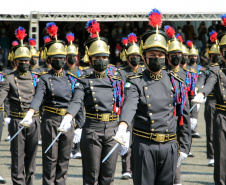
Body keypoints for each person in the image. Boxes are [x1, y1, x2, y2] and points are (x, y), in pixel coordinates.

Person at [114, 9, 191, 185]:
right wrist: (123, 126)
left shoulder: (176, 81)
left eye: (160, 55)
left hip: (169, 146)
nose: (157, 59)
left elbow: (183, 115)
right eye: (152, 56)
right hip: (144, 146)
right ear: (144, 58)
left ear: (166, 56)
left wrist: (185, 146)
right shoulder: (136, 81)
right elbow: (130, 105)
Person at [60, 19, 125, 185]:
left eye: (104, 57)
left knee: (108, 176)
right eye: (97, 57)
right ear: (90, 58)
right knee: (92, 176)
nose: (101, 60)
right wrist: (69, 116)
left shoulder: (117, 79)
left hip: (112, 129)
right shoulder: (84, 80)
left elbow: (126, 101)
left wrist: (127, 128)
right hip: (92, 129)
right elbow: (76, 101)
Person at [22, 22, 77, 185]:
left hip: (67, 121)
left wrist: (78, 124)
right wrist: (31, 111)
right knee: (50, 159)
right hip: (50, 120)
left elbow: (76, 100)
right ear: (50, 59)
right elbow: (39, 96)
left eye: (62, 58)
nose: (59, 61)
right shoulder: (45, 78)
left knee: (64, 160)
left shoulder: (71, 78)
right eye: (56, 58)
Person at [0, 27, 40, 185]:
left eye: (26, 60)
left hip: (34, 121)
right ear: (15, 62)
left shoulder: (36, 77)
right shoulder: (9, 78)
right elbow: (1, 96)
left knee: (31, 158)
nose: (24, 63)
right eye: (21, 60)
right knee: (17, 157)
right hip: (17, 121)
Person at [193, 25, 226, 184]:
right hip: (222, 114)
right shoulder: (216, 69)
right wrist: (200, 93)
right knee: (221, 155)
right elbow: (209, 82)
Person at [117, 32, 145, 180]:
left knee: (139, 140)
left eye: (137, 55)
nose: (135, 58)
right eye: (132, 56)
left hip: (141, 110)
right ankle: (126, 169)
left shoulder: (144, 72)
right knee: (126, 140)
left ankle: (138, 167)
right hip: (125, 109)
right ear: (127, 58)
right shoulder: (121, 73)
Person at [187, 41, 205, 139]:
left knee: (195, 111)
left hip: (196, 92)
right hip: (187, 91)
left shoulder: (200, 68)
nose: (193, 57)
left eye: (195, 56)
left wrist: (197, 87)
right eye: (192, 56)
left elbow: (202, 78)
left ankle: (194, 129)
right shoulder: (186, 67)